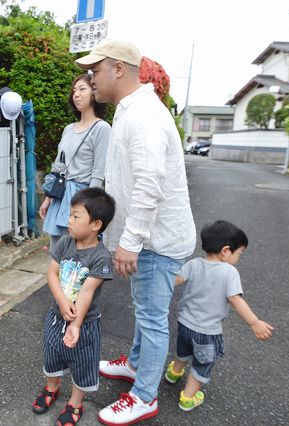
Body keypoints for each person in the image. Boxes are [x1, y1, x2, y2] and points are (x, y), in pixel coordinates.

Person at [75, 39, 197, 425]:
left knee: (151, 317)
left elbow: (148, 184)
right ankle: (138, 363)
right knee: (146, 310)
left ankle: (144, 396)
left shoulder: (143, 114)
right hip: (152, 238)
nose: (91, 78)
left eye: (95, 70)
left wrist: (129, 242)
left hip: (156, 242)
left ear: (118, 68)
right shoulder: (133, 109)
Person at [164, 220, 273, 411]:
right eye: (239, 253)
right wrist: (254, 322)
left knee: (183, 350)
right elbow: (236, 300)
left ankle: (174, 372)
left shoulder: (194, 264)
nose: (239, 258)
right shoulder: (229, 272)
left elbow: (175, 280)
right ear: (225, 251)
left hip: (184, 325)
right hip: (207, 332)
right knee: (202, 363)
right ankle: (188, 398)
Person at [32, 187, 115, 426]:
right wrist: (62, 301)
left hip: (85, 324)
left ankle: (75, 404)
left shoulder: (101, 257)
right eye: (70, 215)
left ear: (95, 224)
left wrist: (76, 324)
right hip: (56, 318)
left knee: (83, 363)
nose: (68, 220)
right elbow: (51, 272)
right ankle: (52, 388)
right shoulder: (66, 243)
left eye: (76, 216)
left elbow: (87, 290)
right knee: (52, 355)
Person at [39, 74, 110, 249]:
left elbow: (98, 172)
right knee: (57, 252)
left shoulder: (102, 128)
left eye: (82, 89)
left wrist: (90, 209)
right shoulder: (68, 129)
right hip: (60, 197)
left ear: (94, 92)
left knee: (76, 256)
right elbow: (58, 166)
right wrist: (48, 199)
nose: (76, 94)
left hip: (82, 198)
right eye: (74, 91)